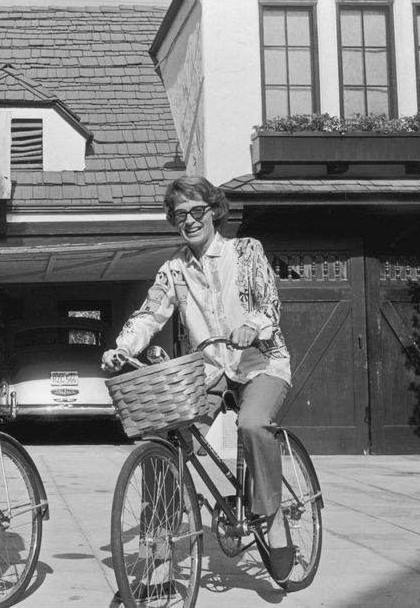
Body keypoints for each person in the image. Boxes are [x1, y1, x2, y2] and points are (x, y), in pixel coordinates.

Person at [100, 175, 295, 582]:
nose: (188, 221)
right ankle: (163, 544)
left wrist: (253, 326)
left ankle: (272, 518)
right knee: (166, 440)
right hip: (208, 372)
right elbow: (149, 315)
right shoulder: (173, 270)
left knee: (252, 424)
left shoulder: (247, 251)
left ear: (213, 211)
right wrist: (123, 347)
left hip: (259, 362)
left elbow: (270, 305)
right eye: (179, 215)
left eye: (196, 211)